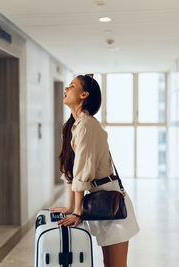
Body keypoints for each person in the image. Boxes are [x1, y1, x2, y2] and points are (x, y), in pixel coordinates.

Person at [50, 74, 140, 267]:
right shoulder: (72, 127)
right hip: (100, 204)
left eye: (72, 86)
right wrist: (70, 208)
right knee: (108, 264)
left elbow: (83, 171)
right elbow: (71, 172)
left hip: (112, 202)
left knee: (115, 265)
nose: (66, 89)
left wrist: (78, 212)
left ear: (84, 94)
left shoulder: (88, 125)